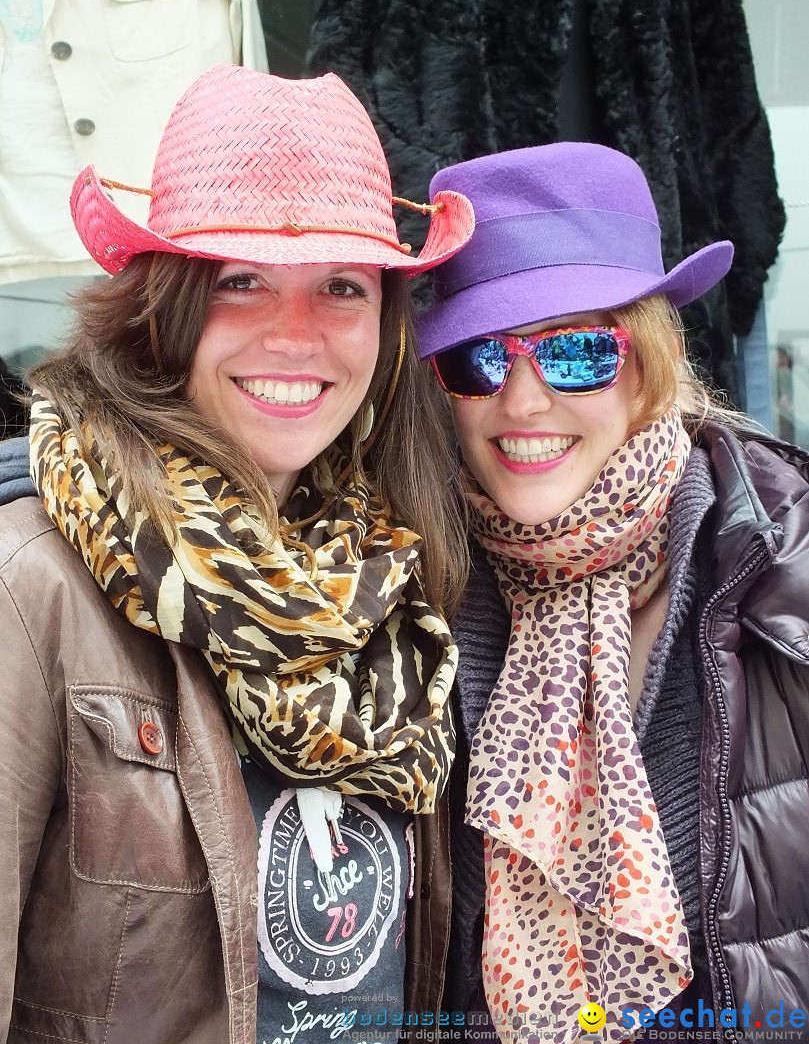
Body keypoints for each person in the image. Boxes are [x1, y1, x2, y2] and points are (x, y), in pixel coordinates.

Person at [0, 63, 476, 1044]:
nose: (294, 335)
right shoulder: (32, 586)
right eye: (240, 281)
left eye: (341, 286)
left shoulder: (397, 580)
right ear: (164, 306)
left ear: (386, 325)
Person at [414, 142, 809, 1042]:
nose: (521, 401)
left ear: (652, 360)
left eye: (579, 352)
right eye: (480, 358)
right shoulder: (412, 579)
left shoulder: (785, 566)